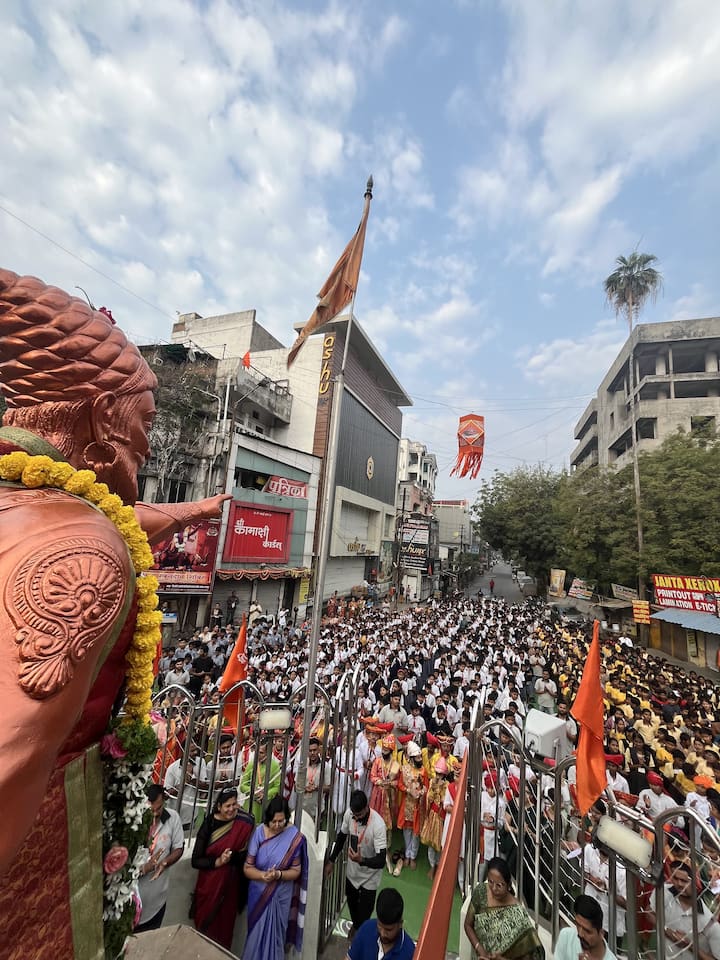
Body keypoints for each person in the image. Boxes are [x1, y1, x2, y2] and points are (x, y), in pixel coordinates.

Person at [0, 269, 229, 960]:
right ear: (102, 414)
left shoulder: (41, 504)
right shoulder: (84, 551)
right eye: (146, 422)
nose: (151, 445)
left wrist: (201, 509)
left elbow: (129, 518)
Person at [242, 796, 308, 960]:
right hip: (259, 894)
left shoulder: (293, 837)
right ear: (268, 818)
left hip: (281, 895)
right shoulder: (259, 833)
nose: (277, 825)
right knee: (255, 938)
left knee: (277, 937)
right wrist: (263, 876)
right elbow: (248, 868)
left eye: (281, 821)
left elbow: (296, 870)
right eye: (274, 821)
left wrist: (278, 875)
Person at [190, 788, 255, 948]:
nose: (232, 809)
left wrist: (231, 857)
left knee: (225, 930)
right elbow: (196, 860)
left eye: (234, 805)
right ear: (219, 806)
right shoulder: (209, 823)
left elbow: (246, 855)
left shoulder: (243, 823)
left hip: (230, 888)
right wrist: (218, 862)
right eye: (227, 806)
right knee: (205, 929)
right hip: (208, 886)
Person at [327, 789, 388, 936]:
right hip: (352, 872)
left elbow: (381, 861)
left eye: (359, 815)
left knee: (365, 914)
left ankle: (359, 934)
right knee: (352, 905)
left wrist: (362, 860)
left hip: (370, 877)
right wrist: (331, 860)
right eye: (354, 815)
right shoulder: (349, 814)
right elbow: (341, 837)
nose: (356, 817)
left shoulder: (378, 825)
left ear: (367, 807)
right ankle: (356, 926)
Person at [464, 856, 544, 960]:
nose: (493, 888)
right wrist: (480, 950)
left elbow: (531, 956)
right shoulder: (481, 892)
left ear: (509, 886)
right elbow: (468, 925)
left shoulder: (517, 912)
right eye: (490, 882)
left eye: (499, 885)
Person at [136, 784, 185, 931]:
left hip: (158, 903)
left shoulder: (172, 818)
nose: (156, 814)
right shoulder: (134, 825)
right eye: (151, 810)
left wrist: (165, 862)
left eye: (159, 808)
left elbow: (178, 847)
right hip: (133, 905)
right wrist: (145, 868)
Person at [347, 887, 415, 960]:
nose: (382, 933)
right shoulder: (366, 929)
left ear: (400, 924)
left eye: (388, 930)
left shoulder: (410, 953)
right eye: (379, 926)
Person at [554, 894, 617, 960]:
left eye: (587, 931)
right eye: (578, 925)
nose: (580, 934)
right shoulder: (566, 936)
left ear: (601, 933)